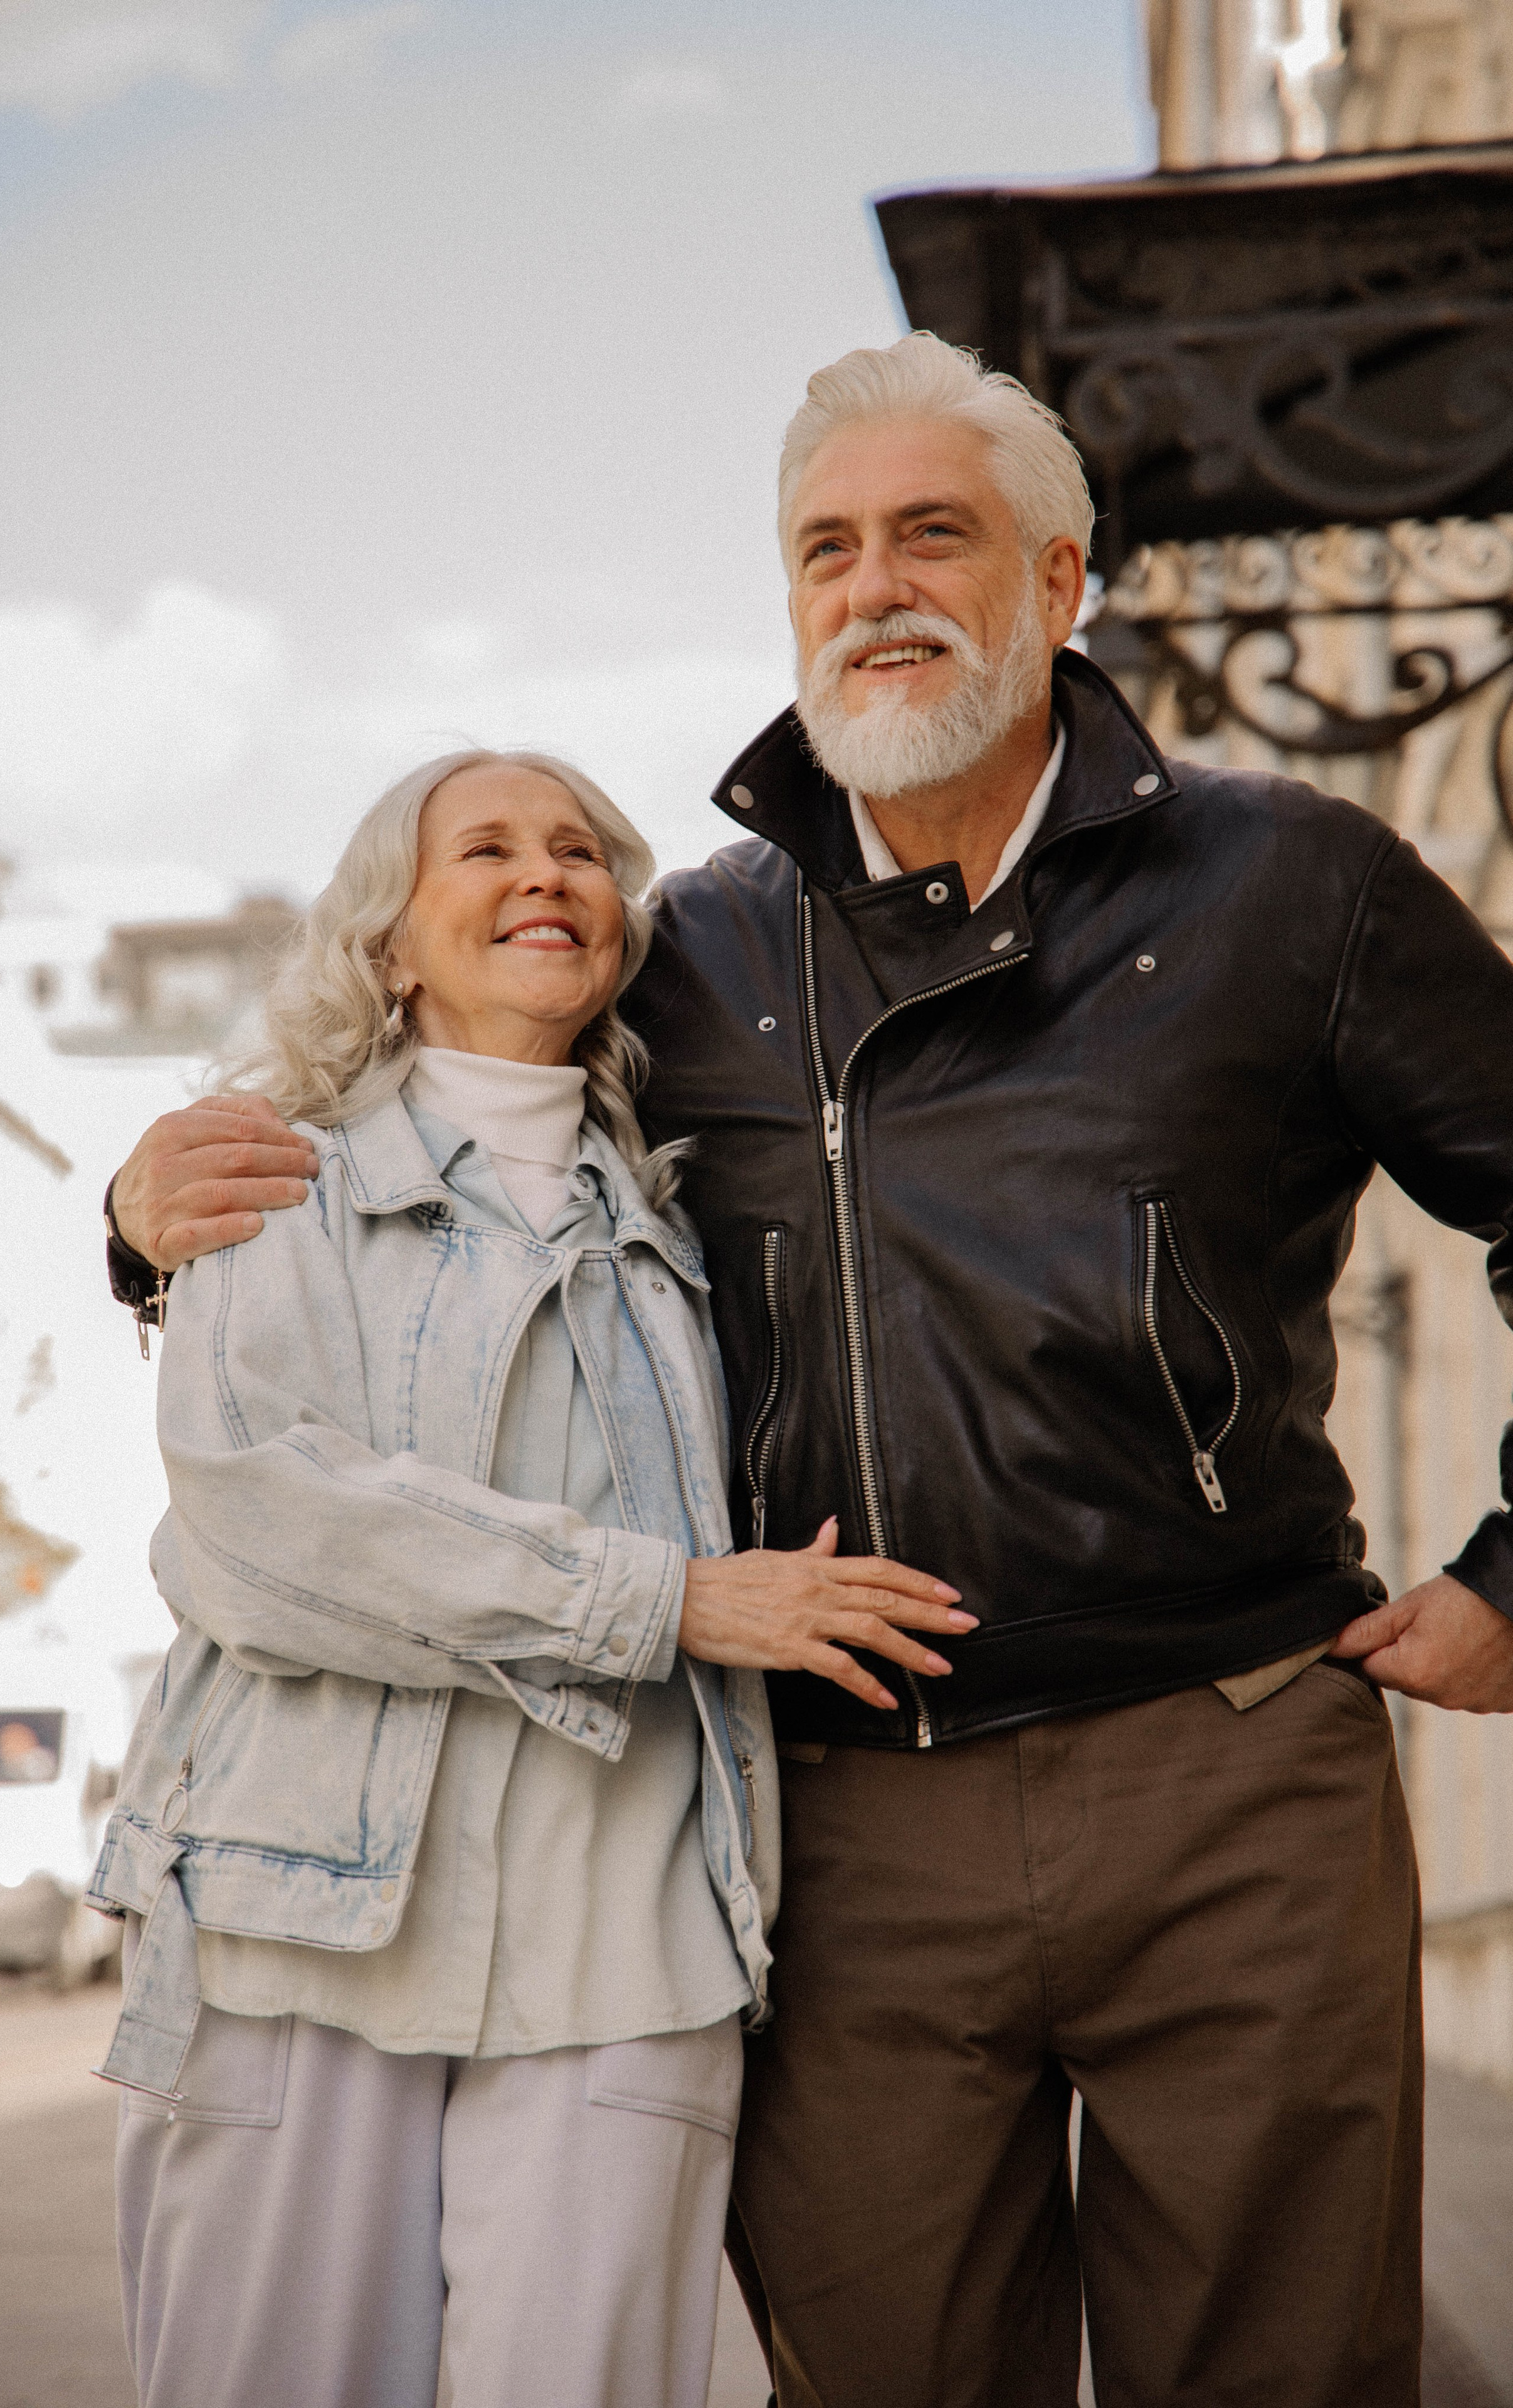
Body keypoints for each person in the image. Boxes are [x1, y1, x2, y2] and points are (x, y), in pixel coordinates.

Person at [105, 337, 1513, 2407]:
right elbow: (431, 1129)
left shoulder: (1288, 882)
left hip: (1226, 1765)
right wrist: (143, 1219)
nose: (875, 586)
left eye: (933, 533)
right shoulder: (693, 951)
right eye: (824, 550)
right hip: (838, 1815)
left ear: (1064, 580)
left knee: (1288, 2368)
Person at [88, 744, 967, 2408]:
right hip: (301, 1918)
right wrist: (672, 1602)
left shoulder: (696, 1222)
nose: (543, 874)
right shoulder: (266, 1178)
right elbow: (256, 1527)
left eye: (579, 850)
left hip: (628, 1924)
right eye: (481, 849)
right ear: (392, 942)